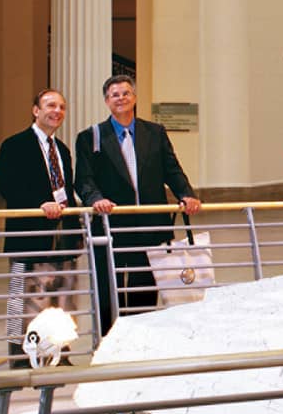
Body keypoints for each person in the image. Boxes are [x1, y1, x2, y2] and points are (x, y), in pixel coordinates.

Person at [74, 74, 201, 331]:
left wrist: (186, 193)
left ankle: (140, 338)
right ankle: (110, 341)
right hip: (112, 227)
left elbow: (171, 169)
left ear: (134, 97)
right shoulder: (90, 137)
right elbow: (84, 180)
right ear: (107, 101)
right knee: (110, 288)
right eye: (114, 95)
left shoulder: (154, 132)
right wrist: (96, 199)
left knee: (145, 286)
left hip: (151, 227)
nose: (120, 98)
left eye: (125, 93)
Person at [0, 88, 79, 366]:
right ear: (35, 110)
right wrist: (39, 203)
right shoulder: (14, 145)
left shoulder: (63, 150)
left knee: (63, 302)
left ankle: (59, 356)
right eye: (50, 105)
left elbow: (67, 190)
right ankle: (21, 359)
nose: (57, 111)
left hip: (63, 239)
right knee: (25, 303)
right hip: (29, 238)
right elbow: (7, 185)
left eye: (62, 107)